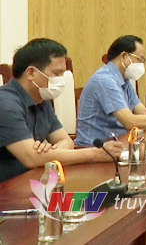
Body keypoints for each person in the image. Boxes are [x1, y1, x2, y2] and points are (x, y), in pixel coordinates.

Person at [0, 39, 124, 182]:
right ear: (31, 73)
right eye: (56, 73)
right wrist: (96, 154)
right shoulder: (5, 103)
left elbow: (66, 141)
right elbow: (31, 158)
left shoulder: (41, 99)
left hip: (32, 178)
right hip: (7, 186)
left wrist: (48, 153)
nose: (61, 80)